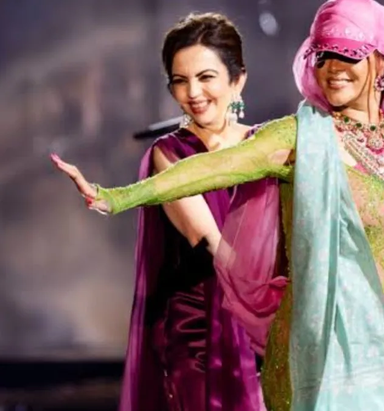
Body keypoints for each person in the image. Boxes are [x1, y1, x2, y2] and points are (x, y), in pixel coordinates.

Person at [50, 1, 384, 410]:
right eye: (323, 54)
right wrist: (115, 197)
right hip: (330, 351)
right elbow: (212, 169)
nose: (333, 66)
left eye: (349, 53)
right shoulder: (302, 137)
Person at [76, 12, 263, 411]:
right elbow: (211, 242)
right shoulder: (170, 153)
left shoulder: (267, 145)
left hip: (265, 324)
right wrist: (272, 300)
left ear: (238, 80)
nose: (193, 92)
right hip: (198, 334)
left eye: (206, 77)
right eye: (180, 80)